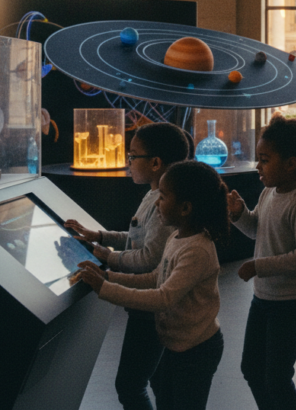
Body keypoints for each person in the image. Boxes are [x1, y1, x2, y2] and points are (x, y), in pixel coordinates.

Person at [76, 160, 231, 410]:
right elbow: (154, 278)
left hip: (197, 351)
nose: (157, 203)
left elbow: (162, 298)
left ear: (185, 208)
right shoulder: (175, 237)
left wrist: (105, 289)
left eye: (164, 196)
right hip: (176, 345)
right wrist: (108, 277)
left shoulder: (197, 250)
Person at [65, 122, 189, 410]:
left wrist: (106, 256)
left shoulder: (162, 204)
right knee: (155, 379)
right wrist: (99, 236)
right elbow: (135, 238)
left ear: (156, 163)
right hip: (147, 308)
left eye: (133, 156)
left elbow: (149, 258)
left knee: (130, 385)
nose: (128, 163)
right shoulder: (154, 195)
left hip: (150, 310)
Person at [227, 116, 296, 410]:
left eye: (264, 159)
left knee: (277, 376)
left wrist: (259, 266)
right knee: (252, 369)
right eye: (258, 159)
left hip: (293, 302)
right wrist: (239, 215)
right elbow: (256, 230)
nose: (258, 166)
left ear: (290, 163)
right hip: (264, 297)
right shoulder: (268, 192)